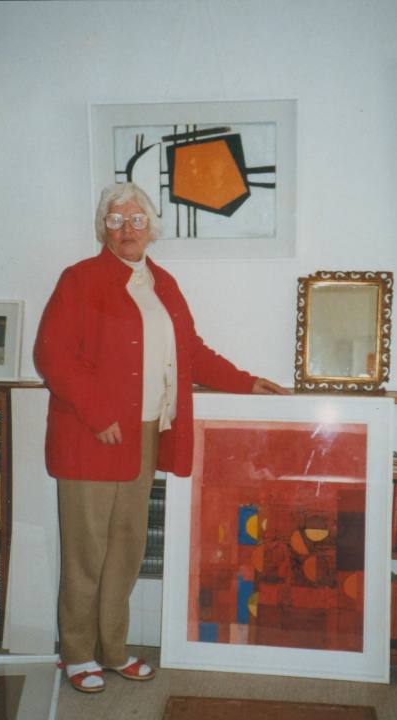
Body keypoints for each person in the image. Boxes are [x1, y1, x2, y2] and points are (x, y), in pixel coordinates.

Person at [34, 182, 289, 693]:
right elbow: (53, 355)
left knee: (127, 547)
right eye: (115, 220)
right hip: (92, 435)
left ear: (152, 227)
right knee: (88, 550)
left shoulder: (163, 284)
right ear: (101, 228)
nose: (127, 229)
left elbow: (191, 350)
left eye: (136, 220)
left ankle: (113, 649)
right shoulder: (79, 280)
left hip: (147, 432)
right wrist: (97, 411)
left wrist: (244, 379)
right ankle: (77, 653)